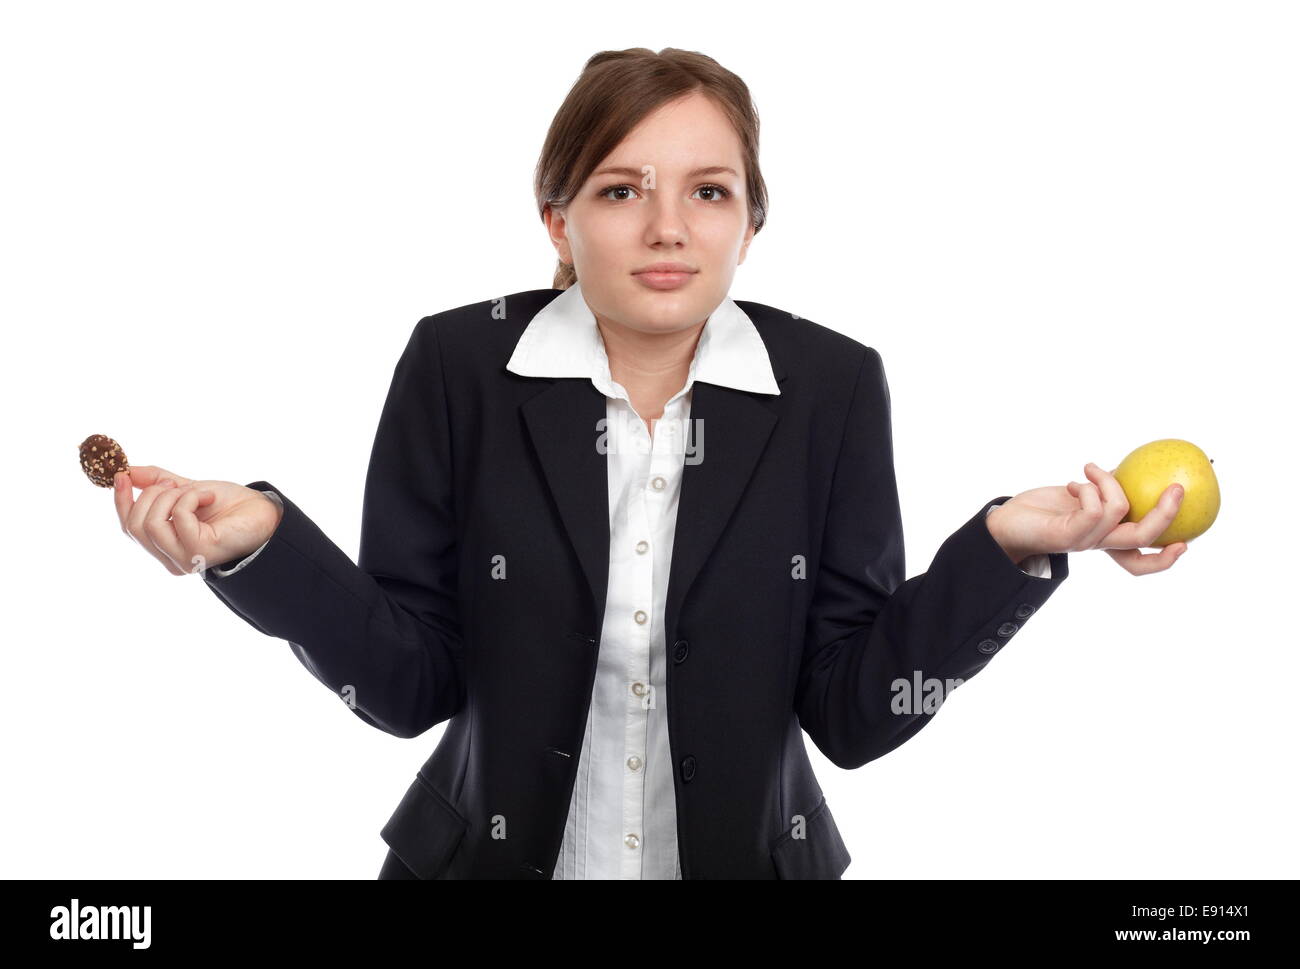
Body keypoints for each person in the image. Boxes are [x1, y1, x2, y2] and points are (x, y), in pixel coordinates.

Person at [112, 48, 1189, 880]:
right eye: (621, 190)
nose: (667, 228)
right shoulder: (458, 362)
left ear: (750, 222)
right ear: (559, 217)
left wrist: (1008, 547)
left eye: (709, 192)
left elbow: (855, 713)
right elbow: (409, 684)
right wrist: (261, 550)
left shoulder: (831, 386)